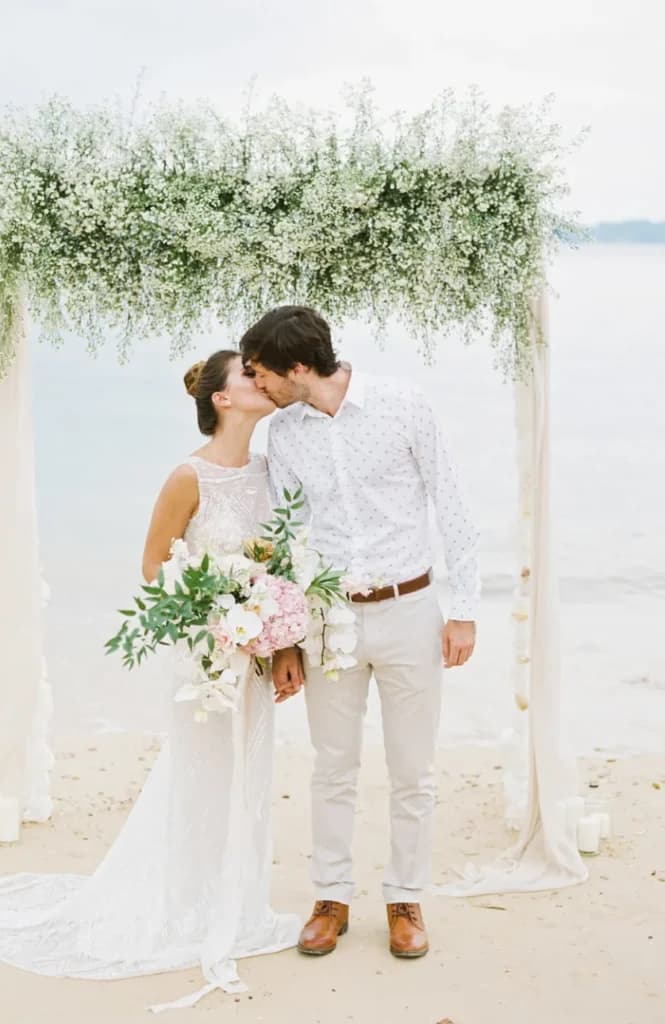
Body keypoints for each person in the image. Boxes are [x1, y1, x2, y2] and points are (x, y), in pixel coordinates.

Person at [0, 351, 300, 1011]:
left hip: (256, 650)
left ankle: (237, 901)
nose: (262, 379)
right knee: (199, 772)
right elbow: (154, 566)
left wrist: (275, 626)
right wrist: (219, 607)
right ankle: (184, 905)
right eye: (249, 374)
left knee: (250, 771)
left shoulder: (272, 470)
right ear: (222, 398)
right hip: (204, 652)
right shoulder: (188, 476)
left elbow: (283, 559)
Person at [240, 306, 480, 960]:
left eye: (262, 373)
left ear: (297, 367)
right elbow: (285, 536)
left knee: (413, 770)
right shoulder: (283, 434)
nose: (257, 385)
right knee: (332, 767)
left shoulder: (404, 405)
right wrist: (285, 640)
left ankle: (404, 899)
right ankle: (330, 898)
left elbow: (452, 504)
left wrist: (463, 609)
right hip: (328, 617)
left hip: (410, 609)